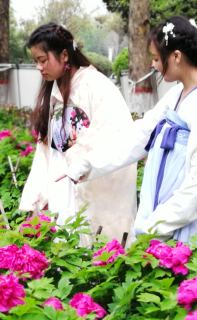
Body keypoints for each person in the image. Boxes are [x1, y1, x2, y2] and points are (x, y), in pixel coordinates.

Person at [58, 16, 197, 247]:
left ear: (176, 56)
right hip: (162, 215)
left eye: (157, 58)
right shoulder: (177, 94)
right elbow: (139, 135)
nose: (153, 64)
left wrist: (154, 228)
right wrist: (85, 164)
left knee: (189, 264)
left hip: (186, 218)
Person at [19, 23, 137, 245]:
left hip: (87, 181)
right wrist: (40, 192)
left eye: (42, 60)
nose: (38, 67)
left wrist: (79, 155)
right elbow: (46, 150)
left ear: (64, 55)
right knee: (65, 247)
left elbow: (118, 136)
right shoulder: (54, 89)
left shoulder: (96, 85)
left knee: (89, 246)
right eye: (36, 61)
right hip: (60, 183)